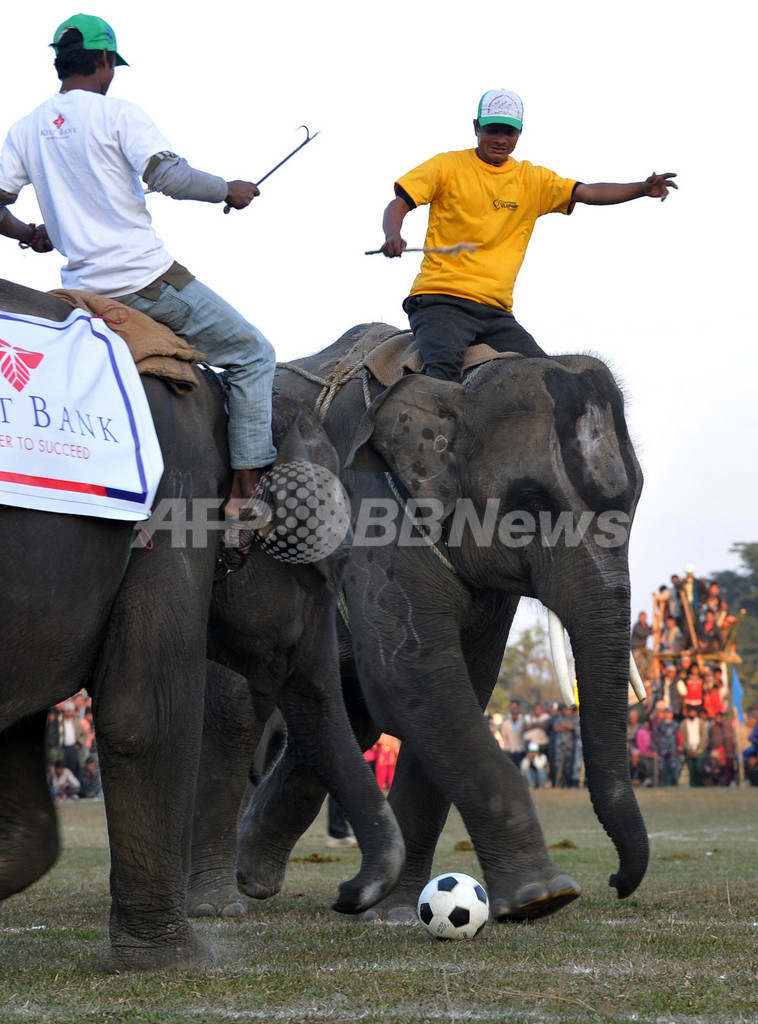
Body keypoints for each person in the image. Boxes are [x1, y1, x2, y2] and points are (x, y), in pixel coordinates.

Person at [0, 14, 276, 514]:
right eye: (112, 66)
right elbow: (169, 176)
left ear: (60, 63)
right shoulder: (118, 114)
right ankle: (244, 492)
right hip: (147, 282)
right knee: (253, 354)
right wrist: (227, 190)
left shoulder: (25, 129)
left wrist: (27, 234)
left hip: (82, 292)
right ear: (104, 61)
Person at [379, 88, 677, 381]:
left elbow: (588, 192)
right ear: (476, 128)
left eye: (509, 132)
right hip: (440, 301)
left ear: (520, 134)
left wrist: (641, 188)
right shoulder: (446, 166)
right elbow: (399, 203)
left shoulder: (532, 180)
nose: (500, 139)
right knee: (442, 380)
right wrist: (393, 233)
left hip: (495, 312)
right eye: (492, 130)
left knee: (546, 382)